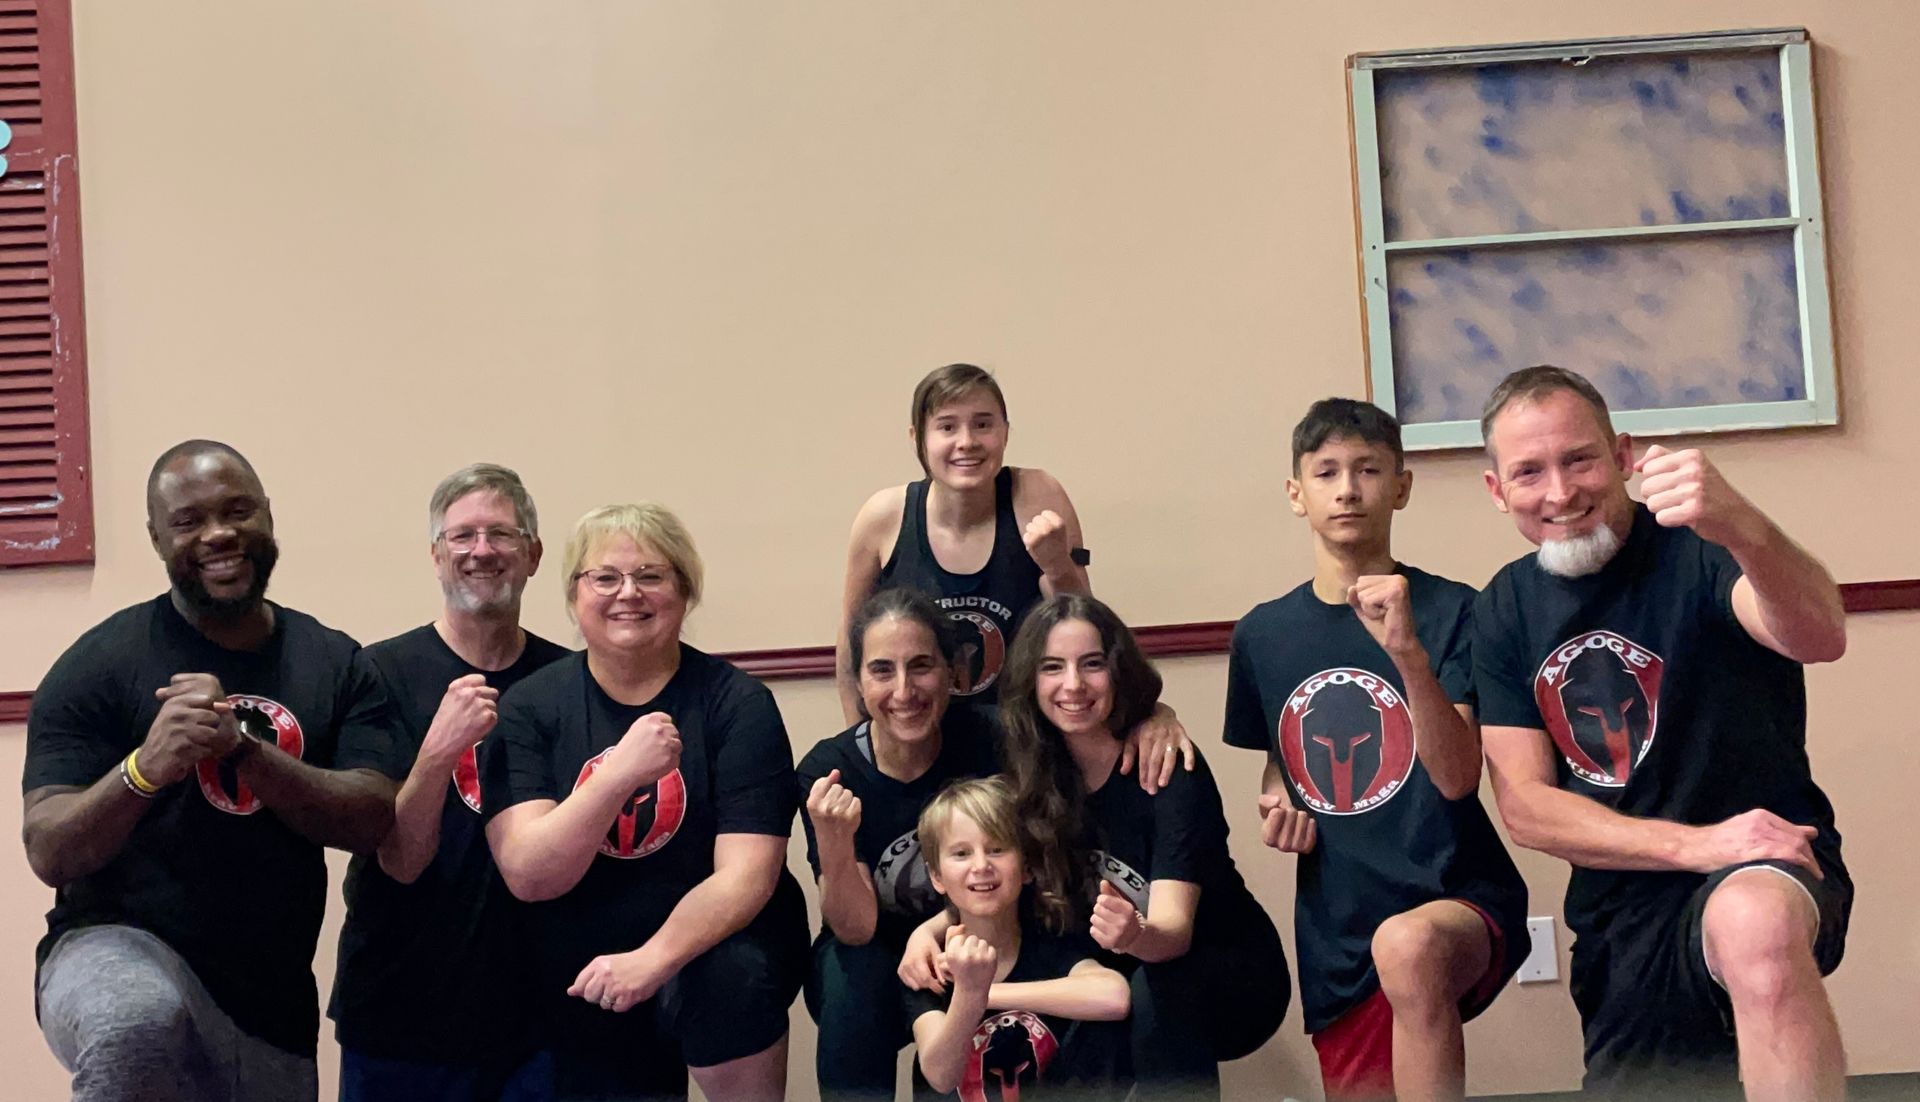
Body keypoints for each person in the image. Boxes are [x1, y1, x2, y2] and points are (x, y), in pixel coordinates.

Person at [1472, 366, 1851, 1101]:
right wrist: (1696, 845)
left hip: (1766, 858)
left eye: (1579, 459)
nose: (1560, 492)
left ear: (1622, 456)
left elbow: (1821, 635)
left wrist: (1742, 522)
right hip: (1625, 906)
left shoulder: (1702, 548)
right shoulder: (1503, 609)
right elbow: (1526, 805)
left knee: (1754, 923)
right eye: (1529, 472)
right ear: (1497, 491)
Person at [22, 439, 404, 1102]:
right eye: (188, 521)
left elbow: (372, 818)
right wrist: (144, 768)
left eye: (237, 511)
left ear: (267, 516)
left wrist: (245, 751)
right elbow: (50, 849)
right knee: (134, 1020)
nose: (219, 534)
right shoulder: (99, 664)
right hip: (114, 944)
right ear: (156, 538)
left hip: (269, 999)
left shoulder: (334, 662)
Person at [1223, 399, 1528, 1102]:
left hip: (1453, 896)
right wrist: (1277, 806)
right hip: (1338, 921)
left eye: (1367, 469)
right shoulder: (1263, 636)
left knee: (1409, 946)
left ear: (1401, 485)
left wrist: (1407, 653)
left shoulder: (1456, 611)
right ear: (1297, 494)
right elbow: (1281, 762)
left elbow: (1456, 778)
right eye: (1326, 472)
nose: (1348, 488)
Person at [482, 503, 806, 1102]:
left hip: (715, 961)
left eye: (651, 576)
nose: (627, 593)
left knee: (730, 978)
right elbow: (529, 873)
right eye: (604, 578)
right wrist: (617, 776)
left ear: (684, 591)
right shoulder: (531, 706)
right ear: (575, 596)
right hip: (587, 967)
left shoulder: (737, 704)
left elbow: (748, 877)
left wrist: (650, 962)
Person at [330, 463, 571, 1101]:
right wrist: (437, 750)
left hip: (539, 1019)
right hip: (401, 1012)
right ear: (437, 557)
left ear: (534, 555)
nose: (482, 551)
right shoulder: (373, 674)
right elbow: (399, 860)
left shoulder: (570, 681)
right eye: (462, 537)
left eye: (502, 534)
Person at [838, 362, 1191, 792]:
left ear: (1005, 432)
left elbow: (1088, 627)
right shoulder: (883, 518)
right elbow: (851, 648)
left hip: (1030, 750)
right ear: (918, 438)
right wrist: (863, 757)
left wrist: (1057, 565)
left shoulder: (1037, 495)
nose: (966, 442)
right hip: (925, 747)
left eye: (982, 424)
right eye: (947, 427)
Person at [1004, 594, 1290, 1100]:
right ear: (1032, 680)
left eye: (1092, 664)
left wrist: (1133, 935)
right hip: (1121, 967)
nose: (1073, 685)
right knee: (1084, 1010)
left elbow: (1173, 935)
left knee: (1150, 992)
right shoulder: (1025, 768)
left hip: (1229, 969)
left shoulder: (1166, 769)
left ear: (1117, 672)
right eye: (1053, 667)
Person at [798, 588, 1001, 1100]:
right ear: (860, 682)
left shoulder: (992, 742)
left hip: (973, 932)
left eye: (921, 666)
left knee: (971, 963)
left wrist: (1157, 713)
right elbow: (855, 928)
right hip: (867, 950)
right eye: (883, 670)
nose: (904, 690)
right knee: (854, 983)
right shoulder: (828, 772)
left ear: (954, 671)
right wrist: (834, 842)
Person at [905, 776, 1133, 1102]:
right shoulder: (928, 966)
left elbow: (1115, 998)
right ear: (937, 876)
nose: (981, 865)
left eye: (997, 849)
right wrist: (967, 995)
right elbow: (940, 1076)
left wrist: (984, 991)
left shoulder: (1048, 942)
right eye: (961, 853)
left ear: (1026, 868)